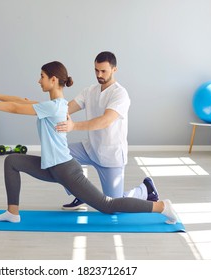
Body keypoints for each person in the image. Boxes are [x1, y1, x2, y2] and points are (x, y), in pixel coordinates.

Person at [0, 61, 179, 225]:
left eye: (42, 76)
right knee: (12, 161)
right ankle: (12, 212)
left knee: (108, 205)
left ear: (53, 80)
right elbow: (22, 101)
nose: (39, 80)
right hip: (52, 168)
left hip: (65, 170)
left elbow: (17, 108)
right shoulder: (54, 105)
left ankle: (161, 207)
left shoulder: (54, 107)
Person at [56, 51, 158, 211]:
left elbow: (105, 121)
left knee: (113, 205)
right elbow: (66, 109)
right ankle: (81, 193)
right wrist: (44, 109)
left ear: (114, 70)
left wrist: (74, 126)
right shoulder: (89, 91)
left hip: (111, 156)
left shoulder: (120, 94)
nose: (99, 74)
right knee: (59, 155)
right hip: (90, 148)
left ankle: (145, 190)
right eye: (96, 70)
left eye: (103, 71)